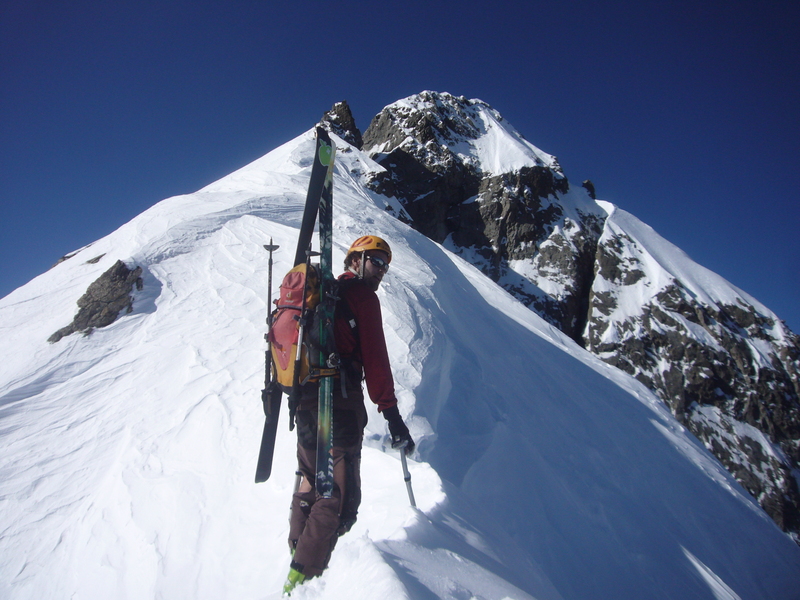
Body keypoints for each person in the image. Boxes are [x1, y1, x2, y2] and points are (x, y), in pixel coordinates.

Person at [284, 235, 415, 594]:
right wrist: (392, 416)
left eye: (386, 266)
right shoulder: (361, 297)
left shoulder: (320, 296)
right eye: (376, 261)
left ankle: (298, 556)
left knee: (311, 480)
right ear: (354, 260)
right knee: (339, 499)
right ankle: (303, 581)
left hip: (306, 403)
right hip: (338, 408)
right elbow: (375, 360)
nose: (382, 272)